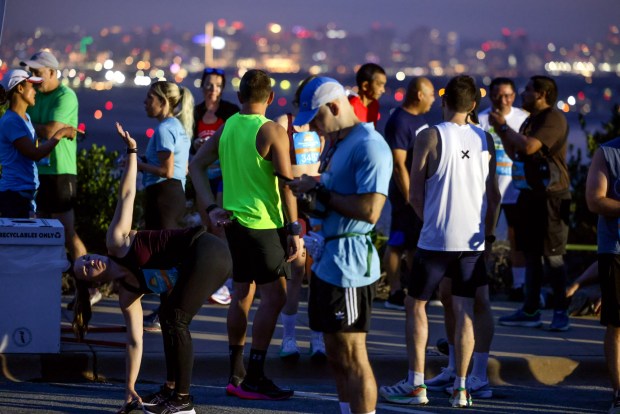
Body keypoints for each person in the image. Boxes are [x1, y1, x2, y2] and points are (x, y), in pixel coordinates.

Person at [72, 122, 231, 414]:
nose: (89, 261)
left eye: (85, 258)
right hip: (202, 263)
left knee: (173, 316)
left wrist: (132, 151)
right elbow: (135, 341)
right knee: (170, 315)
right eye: (85, 270)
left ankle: (182, 402)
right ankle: (171, 390)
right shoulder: (128, 294)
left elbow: (127, 196)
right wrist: (128, 388)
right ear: (94, 284)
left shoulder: (117, 243)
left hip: (207, 249)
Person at [380, 75, 499, 408]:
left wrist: (429, 221)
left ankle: (416, 384)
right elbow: (492, 194)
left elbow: (414, 193)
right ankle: (461, 387)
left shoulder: (429, 135)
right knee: (464, 309)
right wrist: (486, 233)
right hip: (472, 240)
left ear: (444, 102)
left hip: (436, 237)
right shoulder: (485, 139)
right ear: (473, 105)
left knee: (415, 304)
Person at [189, 69, 300, 401]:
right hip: (264, 225)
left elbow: (196, 165)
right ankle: (254, 375)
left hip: (234, 225)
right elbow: (286, 183)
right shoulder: (273, 130)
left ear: (238, 97)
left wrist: (210, 208)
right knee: (276, 298)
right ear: (270, 98)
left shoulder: (229, 126)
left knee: (242, 295)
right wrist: (294, 229)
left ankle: (236, 373)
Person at [289, 76, 392, 414]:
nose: (316, 128)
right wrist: (308, 196)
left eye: (318, 119)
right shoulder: (337, 143)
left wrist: (319, 192)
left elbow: (371, 210)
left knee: (353, 353)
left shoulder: (369, 145)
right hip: (327, 259)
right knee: (334, 351)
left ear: (334, 107)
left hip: (350, 265)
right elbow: (333, 197)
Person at [492, 76, 571, 331]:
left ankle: (561, 312)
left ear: (541, 94)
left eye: (527, 90)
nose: (523, 94)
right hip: (530, 195)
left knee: (554, 257)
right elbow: (515, 152)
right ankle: (530, 310)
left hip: (551, 198)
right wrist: (503, 132)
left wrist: (503, 127)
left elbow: (528, 147)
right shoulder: (531, 120)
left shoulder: (553, 118)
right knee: (531, 255)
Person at [20, 50, 98, 301]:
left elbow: (50, 129)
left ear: (52, 72)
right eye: (31, 73)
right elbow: (46, 129)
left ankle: (90, 287)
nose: (33, 78)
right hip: (39, 170)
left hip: (61, 171)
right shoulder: (37, 96)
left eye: (38, 73)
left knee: (67, 231)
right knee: (40, 230)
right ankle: (44, 286)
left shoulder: (66, 96)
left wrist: (29, 125)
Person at [274, 75, 326, 363]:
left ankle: (317, 338)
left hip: (317, 203)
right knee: (294, 274)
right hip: (293, 202)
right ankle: (289, 337)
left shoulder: (323, 125)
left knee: (317, 276)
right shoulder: (286, 121)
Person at [137, 80, 193, 331]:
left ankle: (165, 313)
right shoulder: (178, 126)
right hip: (174, 196)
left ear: (163, 102)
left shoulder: (163, 130)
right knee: (168, 257)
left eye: (150, 98)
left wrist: (136, 164)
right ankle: (165, 311)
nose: (146, 103)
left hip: (163, 195)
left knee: (162, 258)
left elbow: (166, 170)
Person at [382, 76, 435, 310]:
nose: (434, 99)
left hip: (417, 193)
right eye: (432, 94)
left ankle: (417, 289)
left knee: (414, 245)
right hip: (404, 196)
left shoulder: (418, 119)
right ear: (419, 94)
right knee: (397, 243)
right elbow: (398, 163)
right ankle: (394, 292)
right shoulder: (399, 121)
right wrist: (408, 197)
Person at [0, 69, 79, 217]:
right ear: (20, 88)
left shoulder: (27, 118)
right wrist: (60, 133)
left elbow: (35, 150)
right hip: (14, 193)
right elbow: (34, 154)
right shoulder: (11, 121)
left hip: (27, 191)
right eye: (32, 87)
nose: (36, 91)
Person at [191, 67, 240, 306]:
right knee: (206, 227)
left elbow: (236, 140)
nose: (213, 90)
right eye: (209, 85)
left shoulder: (230, 112)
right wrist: (197, 144)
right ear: (202, 87)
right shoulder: (194, 113)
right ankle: (210, 278)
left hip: (224, 175)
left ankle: (225, 280)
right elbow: (188, 145)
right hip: (203, 175)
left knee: (220, 226)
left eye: (218, 85)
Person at [479, 77, 529, 300]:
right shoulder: (480, 119)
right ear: (490, 96)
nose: (504, 100)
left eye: (508, 95)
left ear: (514, 96)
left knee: (517, 238)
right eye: (498, 95)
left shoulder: (523, 118)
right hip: (486, 190)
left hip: (516, 189)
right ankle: (479, 281)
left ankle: (518, 285)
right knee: (483, 237)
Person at [585, 137, 620, 414]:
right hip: (616, 249)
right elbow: (595, 200)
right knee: (616, 324)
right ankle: (619, 393)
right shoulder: (607, 152)